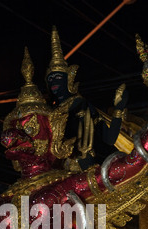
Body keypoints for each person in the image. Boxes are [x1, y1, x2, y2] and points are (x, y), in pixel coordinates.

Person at [45, 26, 129, 170]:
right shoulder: (48, 112)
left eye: (58, 77)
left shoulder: (80, 105)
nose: (54, 83)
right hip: (54, 170)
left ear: (68, 81)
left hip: (83, 167)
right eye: (50, 79)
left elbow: (109, 139)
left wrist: (119, 108)